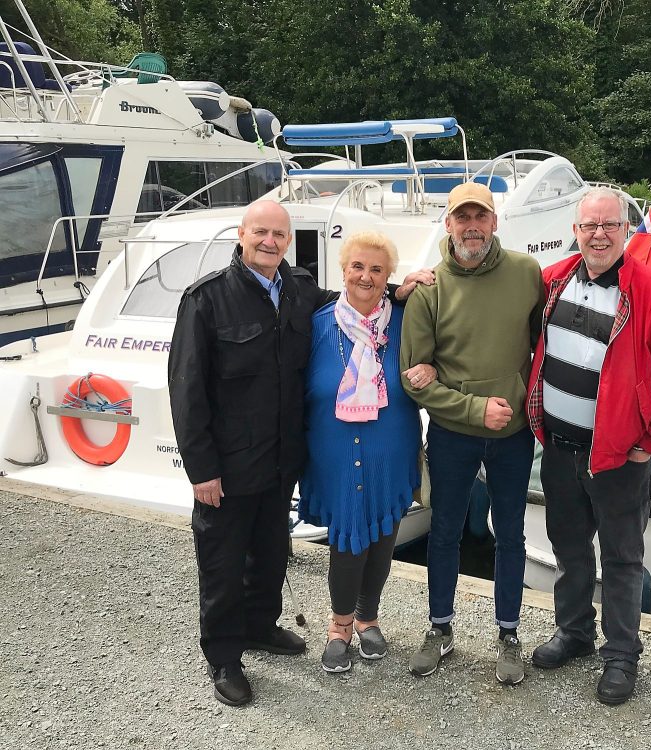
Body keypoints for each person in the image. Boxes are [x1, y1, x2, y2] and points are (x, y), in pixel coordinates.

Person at [168, 200, 431, 706]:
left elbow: (354, 296)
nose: (270, 242)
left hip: (280, 456)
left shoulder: (299, 290)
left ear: (288, 242)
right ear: (242, 235)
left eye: (279, 235)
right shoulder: (207, 299)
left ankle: (261, 626)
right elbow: (186, 388)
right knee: (222, 559)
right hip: (229, 458)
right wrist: (202, 468)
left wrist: (397, 289)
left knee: (270, 551)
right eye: (260, 233)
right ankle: (224, 657)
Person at [525, 187, 651, 705]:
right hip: (559, 447)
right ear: (575, 231)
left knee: (622, 558)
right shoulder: (551, 282)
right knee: (569, 549)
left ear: (626, 231)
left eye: (609, 225)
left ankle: (622, 654)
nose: (598, 234)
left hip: (620, 457)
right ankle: (575, 632)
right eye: (589, 225)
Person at [400, 181, 543, 685]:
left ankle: (508, 632)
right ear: (449, 225)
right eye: (462, 218)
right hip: (453, 432)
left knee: (510, 535)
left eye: (480, 217)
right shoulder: (428, 288)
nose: (472, 226)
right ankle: (441, 628)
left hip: (514, 431)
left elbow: (544, 345)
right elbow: (413, 375)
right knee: (444, 532)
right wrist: (475, 409)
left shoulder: (527, 273)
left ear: (495, 222)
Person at [297, 231, 436, 674]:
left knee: (382, 536)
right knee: (346, 538)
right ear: (343, 270)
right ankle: (339, 626)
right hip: (333, 451)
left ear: (388, 276)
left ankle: (368, 617)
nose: (366, 276)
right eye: (358, 266)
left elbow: (437, 356)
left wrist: (430, 367)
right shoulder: (316, 324)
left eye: (377, 269)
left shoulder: (405, 321)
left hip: (390, 448)